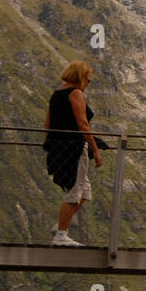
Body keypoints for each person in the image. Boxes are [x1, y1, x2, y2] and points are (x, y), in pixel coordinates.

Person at [43, 60, 102, 247]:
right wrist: (95, 149)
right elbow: (83, 124)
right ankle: (61, 235)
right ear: (79, 76)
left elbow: (48, 123)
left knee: (84, 191)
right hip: (74, 148)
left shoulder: (57, 94)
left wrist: (49, 144)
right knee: (75, 191)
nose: (89, 81)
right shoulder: (75, 94)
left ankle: (60, 225)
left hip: (59, 146)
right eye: (87, 77)